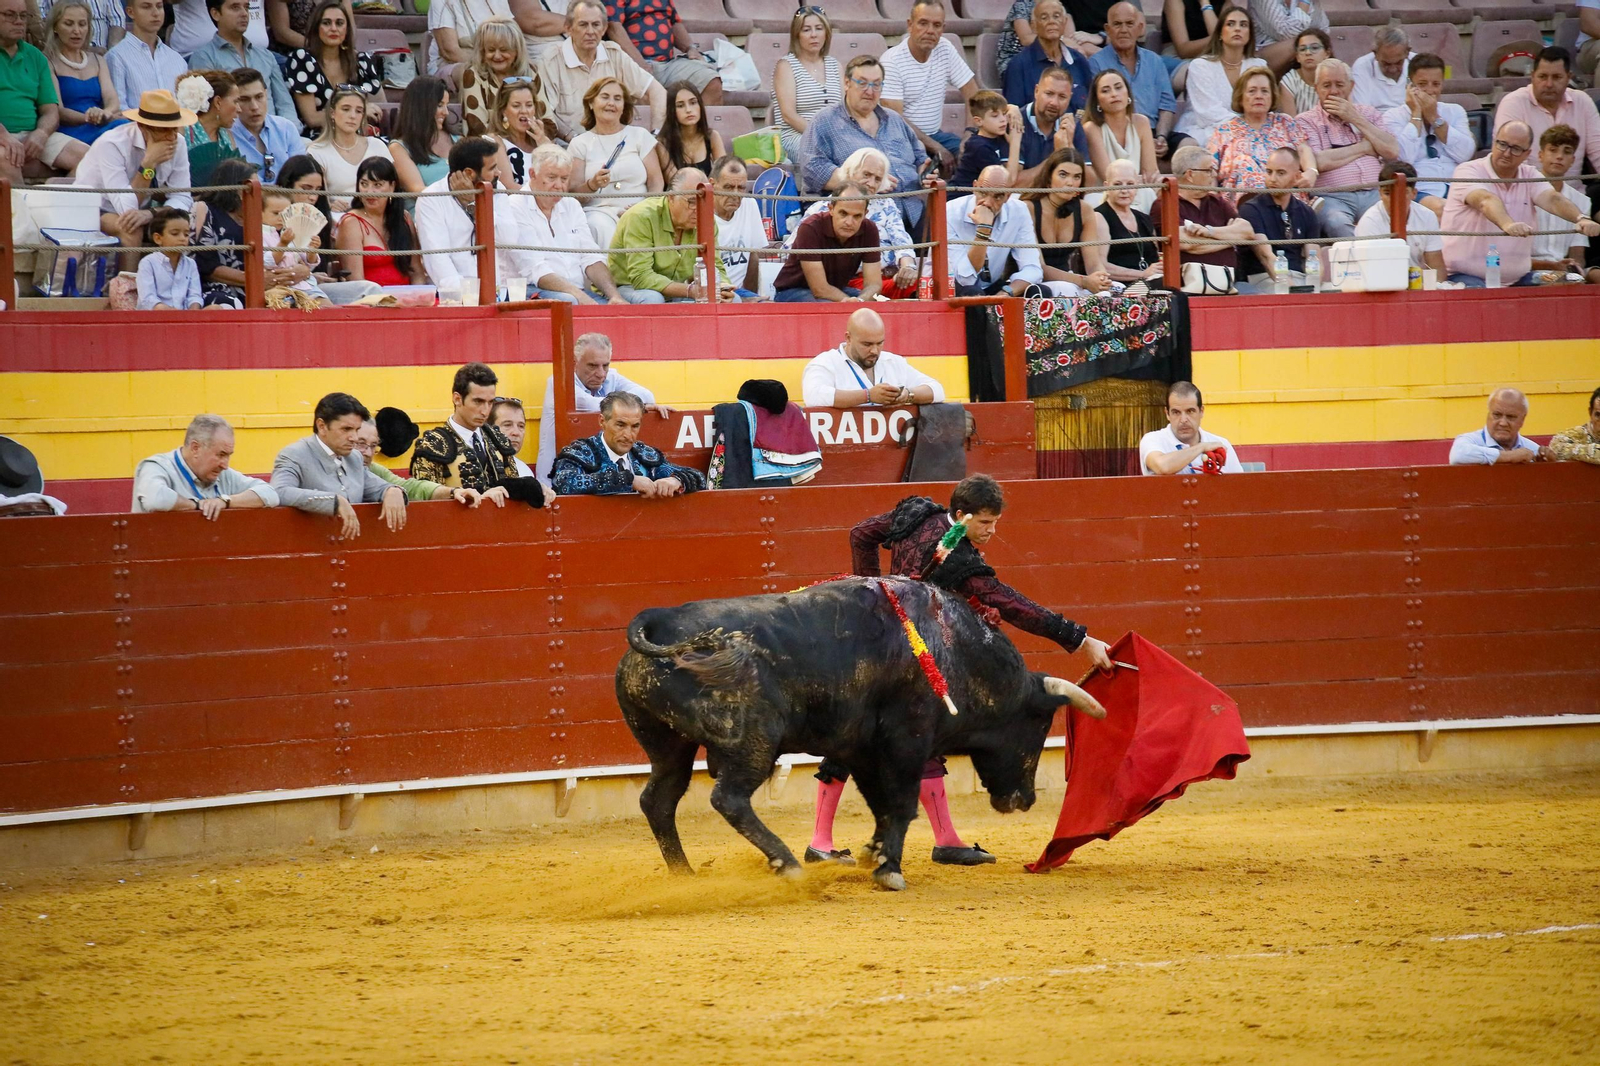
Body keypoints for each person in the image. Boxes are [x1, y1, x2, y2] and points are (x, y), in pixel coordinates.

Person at [807, 473, 1113, 868]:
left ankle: (939, 839)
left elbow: (861, 534)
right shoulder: (960, 558)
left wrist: (870, 595)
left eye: (996, 521)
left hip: (889, 650)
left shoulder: (916, 514)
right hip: (906, 658)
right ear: (962, 515)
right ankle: (825, 841)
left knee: (913, 736)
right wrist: (1081, 640)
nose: (992, 530)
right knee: (864, 733)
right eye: (985, 522)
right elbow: (1011, 604)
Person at [1441, 120, 1600, 288]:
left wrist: (1580, 218)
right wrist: (1507, 224)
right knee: (1480, 299)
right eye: (1502, 144)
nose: (1507, 153)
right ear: (1494, 142)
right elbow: (1485, 200)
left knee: (1570, 281)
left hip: (1519, 277)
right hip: (1466, 276)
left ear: (1527, 154)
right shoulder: (1468, 170)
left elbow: (1552, 199)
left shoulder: (1529, 174)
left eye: (1516, 149)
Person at [798, 55, 928, 231]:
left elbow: (920, 155)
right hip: (857, 220)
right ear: (846, 83)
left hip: (913, 213)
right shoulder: (825, 121)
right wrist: (865, 184)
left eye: (876, 84)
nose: (870, 91)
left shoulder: (895, 119)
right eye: (862, 83)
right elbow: (812, 168)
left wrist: (925, 171)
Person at [74, 88, 195, 262]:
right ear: (142, 127)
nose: (171, 137)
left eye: (174, 129)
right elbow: (126, 209)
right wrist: (148, 165)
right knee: (130, 228)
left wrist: (151, 214)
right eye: (163, 130)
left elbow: (182, 197)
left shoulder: (178, 142)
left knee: (179, 227)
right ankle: (127, 286)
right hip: (95, 210)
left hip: (142, 211)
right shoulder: (111, 144)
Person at [510, 142, 639, 303]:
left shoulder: (571, 204)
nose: (559, 185)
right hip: (529, 290)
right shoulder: (514, 205)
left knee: (617, 308)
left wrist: (614, 296)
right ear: (532, 174)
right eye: (551, 178)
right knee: (570, 301)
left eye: (564, 179)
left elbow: (590, 257)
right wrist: (581, 298)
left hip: (575, 291)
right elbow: (535, 270)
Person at [789, 146, 920, 298]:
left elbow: (901, 240)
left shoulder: (887, 204)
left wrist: (908, 267)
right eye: (866, 174)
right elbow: (792, 248)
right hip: (850, 281)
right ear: (851, 172)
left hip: (888, 277)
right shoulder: (821, 208)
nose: (871, 183)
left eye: (877, 179)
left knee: (923, 284)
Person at [410, 362, 549, 504]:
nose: (485, 411)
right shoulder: (433, 445)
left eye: (490, 403)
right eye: (478, 402)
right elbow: (423, 500)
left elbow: (512, 484)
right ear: (457, 399)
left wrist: (536, 489)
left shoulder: (498, 440)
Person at [273, 392, 408, 538]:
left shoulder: (353, 457)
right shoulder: (295, 454)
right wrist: (334, 501)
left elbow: (375, 486)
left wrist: (392, 490)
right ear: (322, 426)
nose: (354, 438)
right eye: (346, 429)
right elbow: (279, 491)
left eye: (356, 430)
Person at [535, 330, 663, 481]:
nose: (601, 373)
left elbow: (647, 395)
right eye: (592, 366)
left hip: (594, 474)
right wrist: (634, 405)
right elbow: (591, 405)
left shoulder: (610, 377)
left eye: (605, 365)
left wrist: (636, 403)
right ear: (574, 362)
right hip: (554, 477)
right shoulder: (558, 382)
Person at [1293, 58, 1398, 237]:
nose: (1334, 91)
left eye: (1339, 84)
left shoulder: (1368, 113)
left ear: (1351, 86)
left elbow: (1392, 150)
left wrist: (1355, 118)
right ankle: (1365, 261)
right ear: (1316, 87)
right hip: (1333, 196)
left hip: (1374, 191)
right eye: (1326, 85)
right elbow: (1319, 161)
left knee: (1398, 218)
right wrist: (1365, 147)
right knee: (1337, 223)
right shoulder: (1305, 120)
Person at [533, 0, 662, 143]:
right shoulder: (551, 60)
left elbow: (657, 91)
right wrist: (573, 138)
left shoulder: (614, 54)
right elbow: (546, 112)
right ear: (568, 28)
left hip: (614, 143)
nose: (590, 31)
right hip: (569, 145)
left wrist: (655, 134)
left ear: (604, 28)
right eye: (583, 25)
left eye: (596, 25)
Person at [608, 166, 731, 303]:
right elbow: (641, 277)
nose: (698, 209)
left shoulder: (706, 219)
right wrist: (690, 291)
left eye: (703, 202)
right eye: (691, 202)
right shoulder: (641, 216)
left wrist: (723, 288)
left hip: (679, 288)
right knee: (653, 299)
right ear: (671, 197)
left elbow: (715, 266)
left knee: (732, 300)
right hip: (628, 287)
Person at [550, 391, 705, 497]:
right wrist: (629, 480)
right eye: (620, 425)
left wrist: (676, 480)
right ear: (602, 421)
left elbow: (698, 477)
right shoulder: (580, 452)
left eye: (635, 426)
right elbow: (566, 483)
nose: (628, 435)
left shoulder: (643, 455)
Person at [567, 74, 662, 247]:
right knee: (600, 227)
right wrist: (592, 184)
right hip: (599, 211)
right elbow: (573, 194)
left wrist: (644, 207)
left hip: (638, 208)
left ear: (623, 106)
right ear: (591, 103)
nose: (611, 103)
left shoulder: (639, 135)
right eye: (605, 97)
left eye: (617, 99)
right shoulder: (579, 143)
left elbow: (656, 181)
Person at [882, 0, 977, 172]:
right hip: (902, 139)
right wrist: (937, 148)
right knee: (922, 172)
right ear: (910, 25)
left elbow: (972, 92)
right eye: (923, 23)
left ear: (943, 29)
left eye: (936, 25)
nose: (930, 31)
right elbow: (896, 119)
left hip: (935, 134)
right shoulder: (892, 61)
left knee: (975, 155)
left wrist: (969, 133)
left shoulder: (945, 49)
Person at [415, 137, 517, 290]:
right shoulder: (431, 199)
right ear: (469, 173)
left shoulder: (495, 186)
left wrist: (474, 205)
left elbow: (509, 240)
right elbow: (437, 261)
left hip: (495, 290)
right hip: (454, 296)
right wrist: (468, 295)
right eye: (492, 168)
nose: (499, 173)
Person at [801, 306, 945, 409]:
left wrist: (908, 395)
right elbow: (814, 397)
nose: (875, 351)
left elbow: (937, 390)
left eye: (880, 343)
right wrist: (868, 396)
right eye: (867, 344)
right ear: (848, 338)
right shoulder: (825, 363)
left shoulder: (893, 361)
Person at [132, 414, 278, 514]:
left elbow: (271, 494)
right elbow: (156, 499)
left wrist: (225, 501)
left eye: (228, 456)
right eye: (221, 455)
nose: (225, 465)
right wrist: (197, 505)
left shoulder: (224, 475)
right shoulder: (156, 466)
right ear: (196, 448)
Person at [1087, 3, 1178, 162]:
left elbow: (1167, 105)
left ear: (1140, 28)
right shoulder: (1096, 63)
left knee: (1188, 148)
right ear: (1107, 30)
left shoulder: (1154, 61)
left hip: (1155, 132)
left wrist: (1162, 137)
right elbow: (1096, 108)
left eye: (1129, 24)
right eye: (1117, 24)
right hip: (1117, 134)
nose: (1123, 30)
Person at [1492, 47, 1600, 178]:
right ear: (1532, 76)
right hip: (1526, 191)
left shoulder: (1583, 101)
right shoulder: (1513, 103)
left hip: (1575, 192)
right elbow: (1509, 159)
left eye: (1556, 77)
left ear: (1568, 77)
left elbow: (1598, 151)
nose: (1549, 84)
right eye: (1542, 77)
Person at [1209, 66, 1313, 201]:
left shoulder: (1286, 122)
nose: (1259, 96)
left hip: (1288, 200)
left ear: (1272, 96)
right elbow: (1210, 171)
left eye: (1265, 91)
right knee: (1243, 163)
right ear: (1241, 97)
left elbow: (1303, 149)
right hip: (1242, 206)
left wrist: (1312, 171)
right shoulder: (1224, 131)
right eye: (1252, 91)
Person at [1020, 148, 1111, 296]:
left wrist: (1101, 279)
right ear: (1049, 177)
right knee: (1067, 289)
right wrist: (1083, 281)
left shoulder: (1085, 210)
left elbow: (1093, 263)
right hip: (1034, 282)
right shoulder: (1028, 208)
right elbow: (1038, 267)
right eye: (1063, 175)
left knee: (1107, 293)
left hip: (1069, 280)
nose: (1070, 182)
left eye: (1077, 177)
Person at [1174, 3, 1266, 150]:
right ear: (1220, 33)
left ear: (1250, 34)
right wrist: (1247, 126)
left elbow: (1265, 105)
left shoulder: (1259, 65)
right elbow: (1208, 113)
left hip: (1250, 132)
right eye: (1230, 24)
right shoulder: (1200, 66)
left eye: (1243, 25)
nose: (1237, 28)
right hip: (1202, 132)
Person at [771, 183, 882, 303]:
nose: (849, 222)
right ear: (831, 209)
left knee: (879, 303)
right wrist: (850, 303)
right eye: (843, 213)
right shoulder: (810, 227)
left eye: (857, 216)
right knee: (830, 308)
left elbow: (874, 284)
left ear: (865, 214)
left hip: (835, 289)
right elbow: (819, 289)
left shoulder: (869, 229)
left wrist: (860, 301)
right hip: (792, 290)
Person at [285, 0, 382, 137]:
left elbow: (380, 108)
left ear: (347, 29)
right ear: (316, 28)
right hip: (321, 136)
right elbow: (312, 119)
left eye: (339, 23)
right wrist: (360, 112)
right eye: (326, 23)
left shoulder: (361, 61)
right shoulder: (302, 59)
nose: (334, 29)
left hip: (358, 134)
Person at [0, 0, 74, 180]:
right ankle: (22, 208)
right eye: (10, 15)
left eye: (23, 16)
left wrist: (41, 133)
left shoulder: (36, 57)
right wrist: (4, 137)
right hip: (2, 134)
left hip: (32, 133)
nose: (19, 21)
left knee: (88, 158)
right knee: (7, 158)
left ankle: (54, 204)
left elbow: (50, 110)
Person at [1160, 143, 1262, 272]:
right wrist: (1231, 239)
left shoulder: (1216, 201)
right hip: (1189, 286)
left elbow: (1247, 232)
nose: (1214, 174)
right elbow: (1187, 244)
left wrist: (1209, 232)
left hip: (1230, 283)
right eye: (1208, 170)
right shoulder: (1165, 203)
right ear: (1190, 175)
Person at [188, 0, 294, 123]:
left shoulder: (265, 56)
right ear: (216, 14)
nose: (244, 13)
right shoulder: (204, 58)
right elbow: (205, 112)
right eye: (235, 7)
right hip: (232, 136)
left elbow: (285, 104)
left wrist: (289, 133)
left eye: (246, 7)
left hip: (276, 133)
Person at [1385, 53, 1470, 205]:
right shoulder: (1392, 116)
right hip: (1420, 189)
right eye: (1422, 84)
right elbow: (1404, 158)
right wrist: (1416, 114)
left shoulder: (1456, 111)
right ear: (1409, 85)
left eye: (1436, 84)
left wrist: (1434, 117)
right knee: (1444, 209)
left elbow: (1465, 154)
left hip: (1457, 185)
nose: (1430, 90)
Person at [42, 0, 125, 154]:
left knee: (130, 129)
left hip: (101, 123)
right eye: (68, 24)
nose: (77, 31)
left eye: (82, 24)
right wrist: (91, 118)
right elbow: (58, 110)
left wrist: (105, 113)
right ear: (55, 27)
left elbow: (112, 100)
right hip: (72, 131)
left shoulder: (98, 61)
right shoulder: (47, 62)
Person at [604, 0, 720, 103]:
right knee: (642, 92)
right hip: (630, 64)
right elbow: (613, 27)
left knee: (712, 82)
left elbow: (674, 22)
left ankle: (702, 128)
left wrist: (691, 48)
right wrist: (640, 64)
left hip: (667, 65)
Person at [1236, 146, 1319, 287]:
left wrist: (1314, 289)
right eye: (1269, 172)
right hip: (1265, 278)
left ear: (1297, 177)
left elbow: (1315, 259)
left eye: (1280, 173)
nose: (1272, 179)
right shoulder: (1251, 209)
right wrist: (1295, 292)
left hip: (1301, 279)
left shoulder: (1306, 212)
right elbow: (1266, 258)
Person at [353, 417, 483, 505]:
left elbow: (411, 487)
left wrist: (454, 491)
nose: (368, 453)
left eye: (373, 446)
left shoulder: (373, 470)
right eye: (361, 444)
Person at [336, 155, 422, 285]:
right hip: (371, 300)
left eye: (377, 185)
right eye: (364, 184)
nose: (370, 191)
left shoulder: (404, 218)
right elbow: (356, 281)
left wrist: (418, 298)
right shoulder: (351, 222)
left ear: (392, 186)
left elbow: (417, 272)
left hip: (408, 298)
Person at [771, 5, 839, 164]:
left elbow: (842, 110)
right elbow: (788, 115)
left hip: (832, 137)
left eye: (819, 28)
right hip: (796, 137)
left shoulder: (835, 65)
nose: (814, 35)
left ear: (827, 33)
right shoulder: (786, 66)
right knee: (826, 153)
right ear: (797, 35)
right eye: (806, 30)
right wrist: (821, 136)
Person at [1081, 67, 1156, 212]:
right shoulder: (1091, 128)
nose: (1114, 94)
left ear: (1128, 93)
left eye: (1118, 87)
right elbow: (1110, 177)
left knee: (1150, 193)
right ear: (1097, 101)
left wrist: (1138, 184)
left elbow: (1151, 174)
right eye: (1105, 90)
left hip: (1137, 191)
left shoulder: (1142, 123)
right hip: (1106, 195)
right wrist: (1136, 181)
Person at [1531, 124, 1598, 285]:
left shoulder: (1581, 200)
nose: (1559, 156)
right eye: (1553, 150)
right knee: (1554, 281)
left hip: (1563, 270)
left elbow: (1577, 254)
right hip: (1530, 269)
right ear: (1540, 155)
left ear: (1573, 160)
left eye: (1566, 152)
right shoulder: (1523, 191)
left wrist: (1574, 270)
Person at [1354, 160, 1445, 276]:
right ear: (1380, 194)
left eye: (1403, 193)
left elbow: (1437, 269)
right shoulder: (1369, 222)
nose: (1395, 199)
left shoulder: (1427, 216)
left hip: (1419, 287)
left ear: (1414, 193)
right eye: (1387, 193)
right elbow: (1371, 274)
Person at [304, 86, 387, 209]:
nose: (352, 116)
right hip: (338, 218)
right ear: (332, 113)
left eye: (359, 111)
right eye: (346, 109)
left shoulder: (377, 146)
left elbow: (393, 189)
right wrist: (330, 206)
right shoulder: (317, 151)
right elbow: (317, 200)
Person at [459, 17, 543, 138]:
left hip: (531, 143)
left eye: (504, 50)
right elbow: (477, 127)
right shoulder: (473, 74)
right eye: (491, 50)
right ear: (482, 52)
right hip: (489, 148)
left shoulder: (531, 72)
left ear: (517, 51)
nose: (497, 56)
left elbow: (546, 120)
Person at [1003, 0, 1090, 116]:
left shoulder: (1079, 61)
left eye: (1056, 16)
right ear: (1034, 26)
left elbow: (1091, 107)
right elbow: (1014, 115)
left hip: (1078, 132)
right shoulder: (1019, 65)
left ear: (1064, 22)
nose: (1051, 22)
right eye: (1044, 18)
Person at [1140, 381, 1243, 474]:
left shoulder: (1222, 443)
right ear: (1167, 414)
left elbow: (1239, 487)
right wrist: (1201, 447)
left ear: (1201, 411)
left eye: (1190, 411)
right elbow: (1162, 467)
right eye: (1176, 412)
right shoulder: (1153, 439)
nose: (1183, 419)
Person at [104, 0, 185, 118]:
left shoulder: (177, 59)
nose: (156, 13)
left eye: (159, 6)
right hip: (135, 131)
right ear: (131, 12)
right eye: (146, 7)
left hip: (176, 132)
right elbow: (119, 108)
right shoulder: (116, 57)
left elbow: (185, 106)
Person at [191, 156, 255, 307]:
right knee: (229, 303)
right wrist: (254, 279)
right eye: (252, 187)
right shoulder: (203, 209)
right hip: (214, 288)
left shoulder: (257, 215)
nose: (259, 193)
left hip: (256, 286)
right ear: (238, 189)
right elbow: (203, 264)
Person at [260, 184, 332, 307]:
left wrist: (312, 251)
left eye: (285, 214)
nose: (281, 218)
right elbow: (266, 262)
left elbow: (309, 263)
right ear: (259, 213)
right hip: (278, 289)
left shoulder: (295, 231)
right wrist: (283, 244)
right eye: (276, 213)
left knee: (326, 307)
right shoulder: (260, 233)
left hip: (305, 285)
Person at [1015, 64, 1089, 182]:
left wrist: (1069, 147)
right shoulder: (1017, 120)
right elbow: (1013, 183)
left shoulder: (1071, 124)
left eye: (1062, 96)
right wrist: (1057, 155)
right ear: (1036, 91)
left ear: (1070, 98)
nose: (1054, 102)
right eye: (1049, 94)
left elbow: (1090, 184)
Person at [230, 67, 304, 183]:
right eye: (244, 99)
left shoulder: (286, 128)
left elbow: (301, 175)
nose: (254, 106)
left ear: (266, 94)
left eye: (259, 97)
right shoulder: (226, 135)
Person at [1096, 157, 1163, 282]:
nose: (1124, 190)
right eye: (1117, 184)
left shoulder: (1144, 219)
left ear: (1137, 186)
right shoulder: (1099, 216)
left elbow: (1156, 257)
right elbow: (1101, 266)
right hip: (1117, 285)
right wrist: (1142, 274)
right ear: (1106, 186)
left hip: (1150, 282)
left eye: (1130, 184)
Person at [709, 153, 766, 298]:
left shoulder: (750, 204)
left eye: (740, 188)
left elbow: (753, 256)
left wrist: (752, 296)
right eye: (728, 187)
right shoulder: (699, 212)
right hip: (710, 291)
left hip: (738, 290)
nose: (735, 194)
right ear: (713, 185)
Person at [389, 76, 457, 194]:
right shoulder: (399, 148)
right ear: (421, 107)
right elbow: (418, 190)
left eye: (447, 105)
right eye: (440, 105)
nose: (446, 112)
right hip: (426, 210)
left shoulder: (459, 141)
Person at [176, 69, 242, 186]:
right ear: (218, 102)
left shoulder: (227, 136)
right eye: (235, 102)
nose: (239, 109)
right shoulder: (182, 131)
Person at [1448, 389, 1549, 465]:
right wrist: (1509, 456)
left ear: (1522, 420)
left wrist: (1550, 464)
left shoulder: (1532, 449)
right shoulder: (1471, 440)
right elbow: (1458, 455)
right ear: (1488, 415)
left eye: (1511, 417)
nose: (1503, 423)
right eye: (1497, 415)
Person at [484, 77, 549, 187]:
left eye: (529, 105)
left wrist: (544, 144)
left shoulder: (542, 141)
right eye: (516, 105)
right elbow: (508, 186)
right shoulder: (494, 141)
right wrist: (541, 198)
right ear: (503, 111)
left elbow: (562, 180)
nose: (524, 111)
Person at [654, 80, 722, 184]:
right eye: (680, 105)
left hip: (709, 196)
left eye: (693, 103)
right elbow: (676, 184)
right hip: (679, 197)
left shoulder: (712, 137)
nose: (688, 110)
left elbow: (723, 175)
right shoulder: (662, 143)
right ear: (672, 111)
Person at [951, 90, 1023, 188]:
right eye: (995, 116)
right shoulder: (980, 147)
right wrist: (1015, 142)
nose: (1003, 119)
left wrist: (1013, 108)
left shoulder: (994, 136)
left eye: (1004, 113)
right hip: (962, 197)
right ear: (979, 121)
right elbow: (1008, 182)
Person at [135, 205, 203, 309]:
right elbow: (148, 299)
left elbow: (195, 295)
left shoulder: (191, 264)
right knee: (160, 309)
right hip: (157, 318)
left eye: (186, 234)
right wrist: (173, 313)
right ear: (158, 238)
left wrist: (193, 311)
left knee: (216, 309)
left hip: (185, 317)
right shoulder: (147, 263)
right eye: (175, 234)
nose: (182, 238)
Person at [426, 0, 512, 75]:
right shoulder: (442, 1)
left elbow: (512, 37)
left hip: (498, 61)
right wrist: (489, 67)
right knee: (471, 74)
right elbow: (449, 52)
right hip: (454, 65)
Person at [1248, 0, 1327, 75]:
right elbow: (1287, 33)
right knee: (1306, 43)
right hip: (1266, 53)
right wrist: (1304, 2)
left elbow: (1322, 28)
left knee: (1317, 46)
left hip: (1300, 50)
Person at [1350, 25, 1409, 112]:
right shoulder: (1362, 66)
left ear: (1407, 53)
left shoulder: (1418, 63)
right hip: (1376, 123)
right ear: (1375, 54)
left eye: (1398, 63)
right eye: (1386, 64)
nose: (1393, 69)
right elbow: (1362, 113)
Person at [1161, 0, 1218, 79]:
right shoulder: (1175, 2)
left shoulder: (1224, 3)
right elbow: (1183, 50)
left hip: (1210, 56)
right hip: (1178, 58)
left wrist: (1206, 5)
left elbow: (1219, 37)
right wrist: (1221, 39)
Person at [1278, 27, 1327, 114]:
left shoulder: (1337, 77)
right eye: (1302, 49)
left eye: (1315, 48)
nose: (1308, 53)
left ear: (1327, 53)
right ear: (1297, 57)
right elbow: (1290, 123)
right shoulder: (1289, 81)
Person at [1548, 386, 1600, 465]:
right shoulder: (1577, 434)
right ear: (1590, 413)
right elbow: (1555, 448)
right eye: (1598, 415)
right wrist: (1592, 451)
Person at [487, 397, 535, 478]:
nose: (516, 433)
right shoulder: (479, 468)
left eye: (521, 426)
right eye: (507, 425)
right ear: (488, 428)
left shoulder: (524, 470)